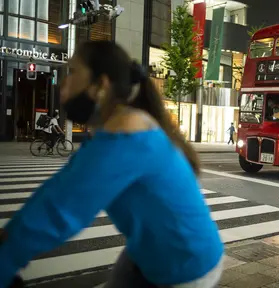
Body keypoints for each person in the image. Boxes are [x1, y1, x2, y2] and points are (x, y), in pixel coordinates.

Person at [0, 41, 224, 288]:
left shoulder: (126, 134)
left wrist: (6, 256)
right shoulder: (114, 128)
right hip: (148, 248)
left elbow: (62, 207)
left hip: (186, 266)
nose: (64, 82)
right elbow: (64, 185)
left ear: (100, 86)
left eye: (73, 72)